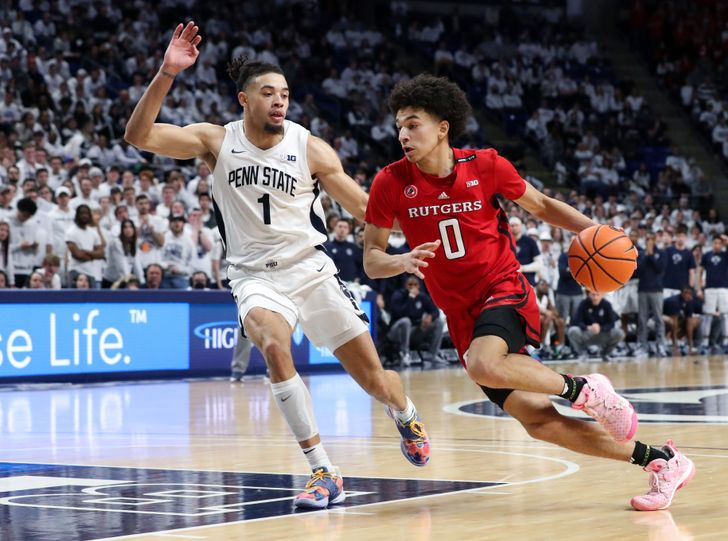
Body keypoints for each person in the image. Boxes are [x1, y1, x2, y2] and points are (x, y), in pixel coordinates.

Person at [124, 22, 429, 509]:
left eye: (284, 93)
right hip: (254, 276)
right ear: (244, 101)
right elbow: (137, 135)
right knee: (271, 343)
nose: (279, 101)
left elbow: (369, 210)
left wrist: (420, 227)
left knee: (376, 382)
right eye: (268, 93)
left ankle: (406, 412)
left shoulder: (310, 148)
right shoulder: (215, 141)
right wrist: (166, 73)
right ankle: (323, 470)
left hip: (310, 270)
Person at [363, 74, 694, 511]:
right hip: (461, 315)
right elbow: (371, 258)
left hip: (503, 287)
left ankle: (586, 390)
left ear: (443, 127)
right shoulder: (389, 182)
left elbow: (542, 206)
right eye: (400, 126)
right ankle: (662, 462)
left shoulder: (486, 165)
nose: (403, 134)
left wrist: (593, 230)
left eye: (413, 124)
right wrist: (401, 260)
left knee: (485, 363)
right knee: (540, 424)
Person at [698, 234, 728, 354]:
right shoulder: (706, 255)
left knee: (725, 315)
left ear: (722, 244)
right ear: (712, 243)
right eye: (715, 243)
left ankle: (725, 342)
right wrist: (699, 288)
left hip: (723, 288)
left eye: (719, 243)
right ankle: (705, 343)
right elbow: (700, 271)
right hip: (709, 288)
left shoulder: (726, 254)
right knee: (708, 316)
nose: (717, 245)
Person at [387, 275, 445, 364]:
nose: (412, 287)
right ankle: (404, 354)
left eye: (415, 285)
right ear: (406, 285)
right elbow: (401, 314)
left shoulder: (421, 297)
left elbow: (435, 311)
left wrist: (430, 317)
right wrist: (410, 299)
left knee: (439, 322)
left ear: (418, 286)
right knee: (406, 321)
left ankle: (432, 354)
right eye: (410, 285)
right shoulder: (398, 295)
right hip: (397, 332)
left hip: (414, 331)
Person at [567, 290, 624, 361]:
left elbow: (611, 324)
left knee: (619, 333)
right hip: (587, 333)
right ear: (589, 294)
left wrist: (601, 328)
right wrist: (588, 327)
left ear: (602, 295)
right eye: (593, 295)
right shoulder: (583, 303)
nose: (595, 298)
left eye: (598, 295)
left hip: (602, 334)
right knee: (572, 331)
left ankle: (606, 354)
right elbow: (576, 321)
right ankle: (582, 354)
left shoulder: (607, 304)